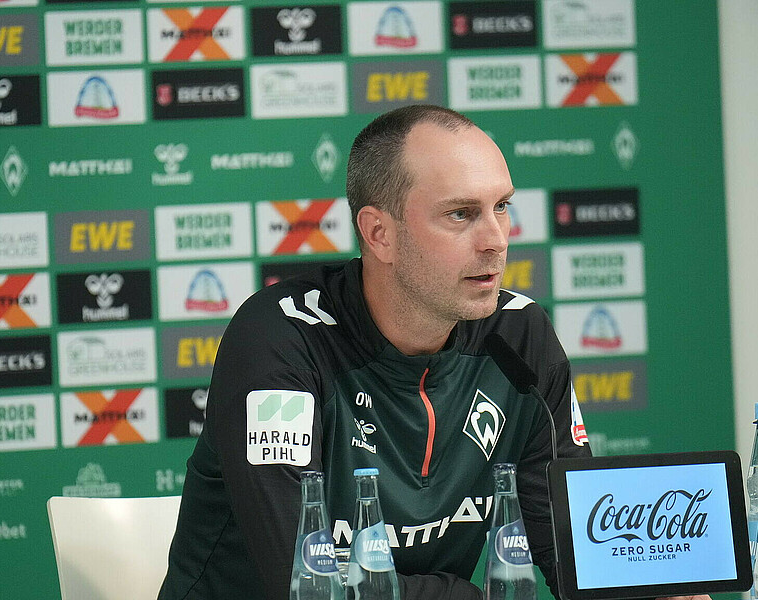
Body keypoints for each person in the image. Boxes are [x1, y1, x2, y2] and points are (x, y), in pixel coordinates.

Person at [159, 105, 708, 600]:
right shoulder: (280, 339)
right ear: (379, 234)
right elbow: (304, 578)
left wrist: (643, 588)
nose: (495, 239)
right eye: (461, 214)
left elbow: (572, 553)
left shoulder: (520, 337)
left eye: (502, 207)